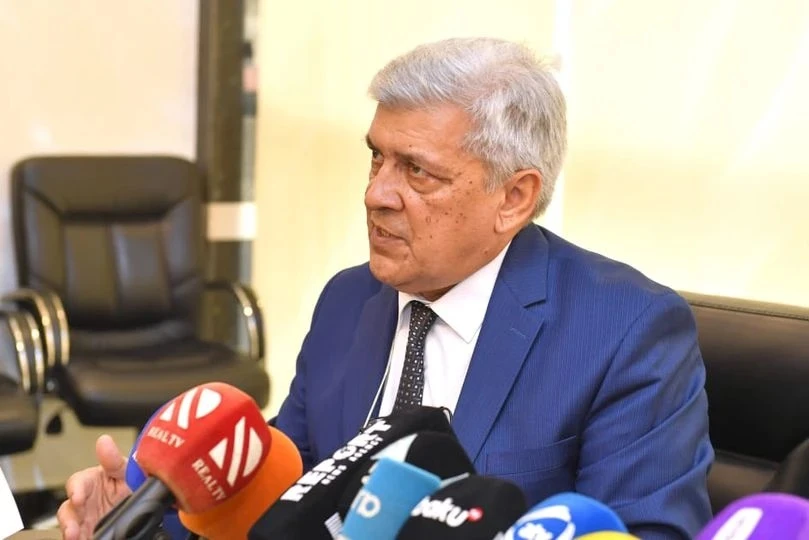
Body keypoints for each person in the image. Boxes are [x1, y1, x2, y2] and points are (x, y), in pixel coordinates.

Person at [58, 37, 713, 539]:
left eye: (417, 171)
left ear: (513, 198)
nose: (376, 193)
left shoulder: (625, 331)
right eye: (376, 156)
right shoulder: (348, 301)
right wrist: (147, 517)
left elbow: (645, 532)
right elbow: (281, 492)